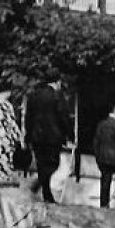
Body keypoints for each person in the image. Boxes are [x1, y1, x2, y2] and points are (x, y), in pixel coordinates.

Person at [26, 73, 70, 204]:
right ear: (57, 82)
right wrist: (69, 134)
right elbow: (63, 116)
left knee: (41, 163)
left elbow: (29, 117)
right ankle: (41, 185)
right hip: (53, 136)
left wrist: (28, 134)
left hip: (37, 136)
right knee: (53, 163)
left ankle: (45, 192)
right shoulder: (57, 96)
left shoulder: (33, 95)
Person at [92, 104, 115, 209]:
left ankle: (104, 204)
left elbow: (96, 142)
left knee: (105, 181)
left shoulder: (101, 124)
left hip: (102, 157)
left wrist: (97, 156)